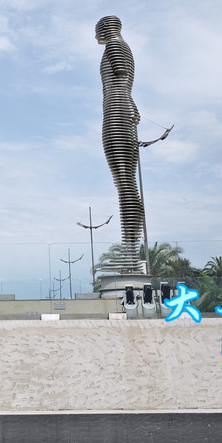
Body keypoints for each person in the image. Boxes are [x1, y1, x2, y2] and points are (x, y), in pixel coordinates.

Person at [96, 15, 145, 272]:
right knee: (125, 184)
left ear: (105, 27)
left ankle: (130, 252)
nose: (96, 35)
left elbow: (122, 79)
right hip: (120, 109)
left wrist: (127, 108)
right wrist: (133, 108)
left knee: (125, 184)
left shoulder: (114, 45)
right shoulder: (120, 46)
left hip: (116, 112)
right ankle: (130, 251)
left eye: (97, 29)